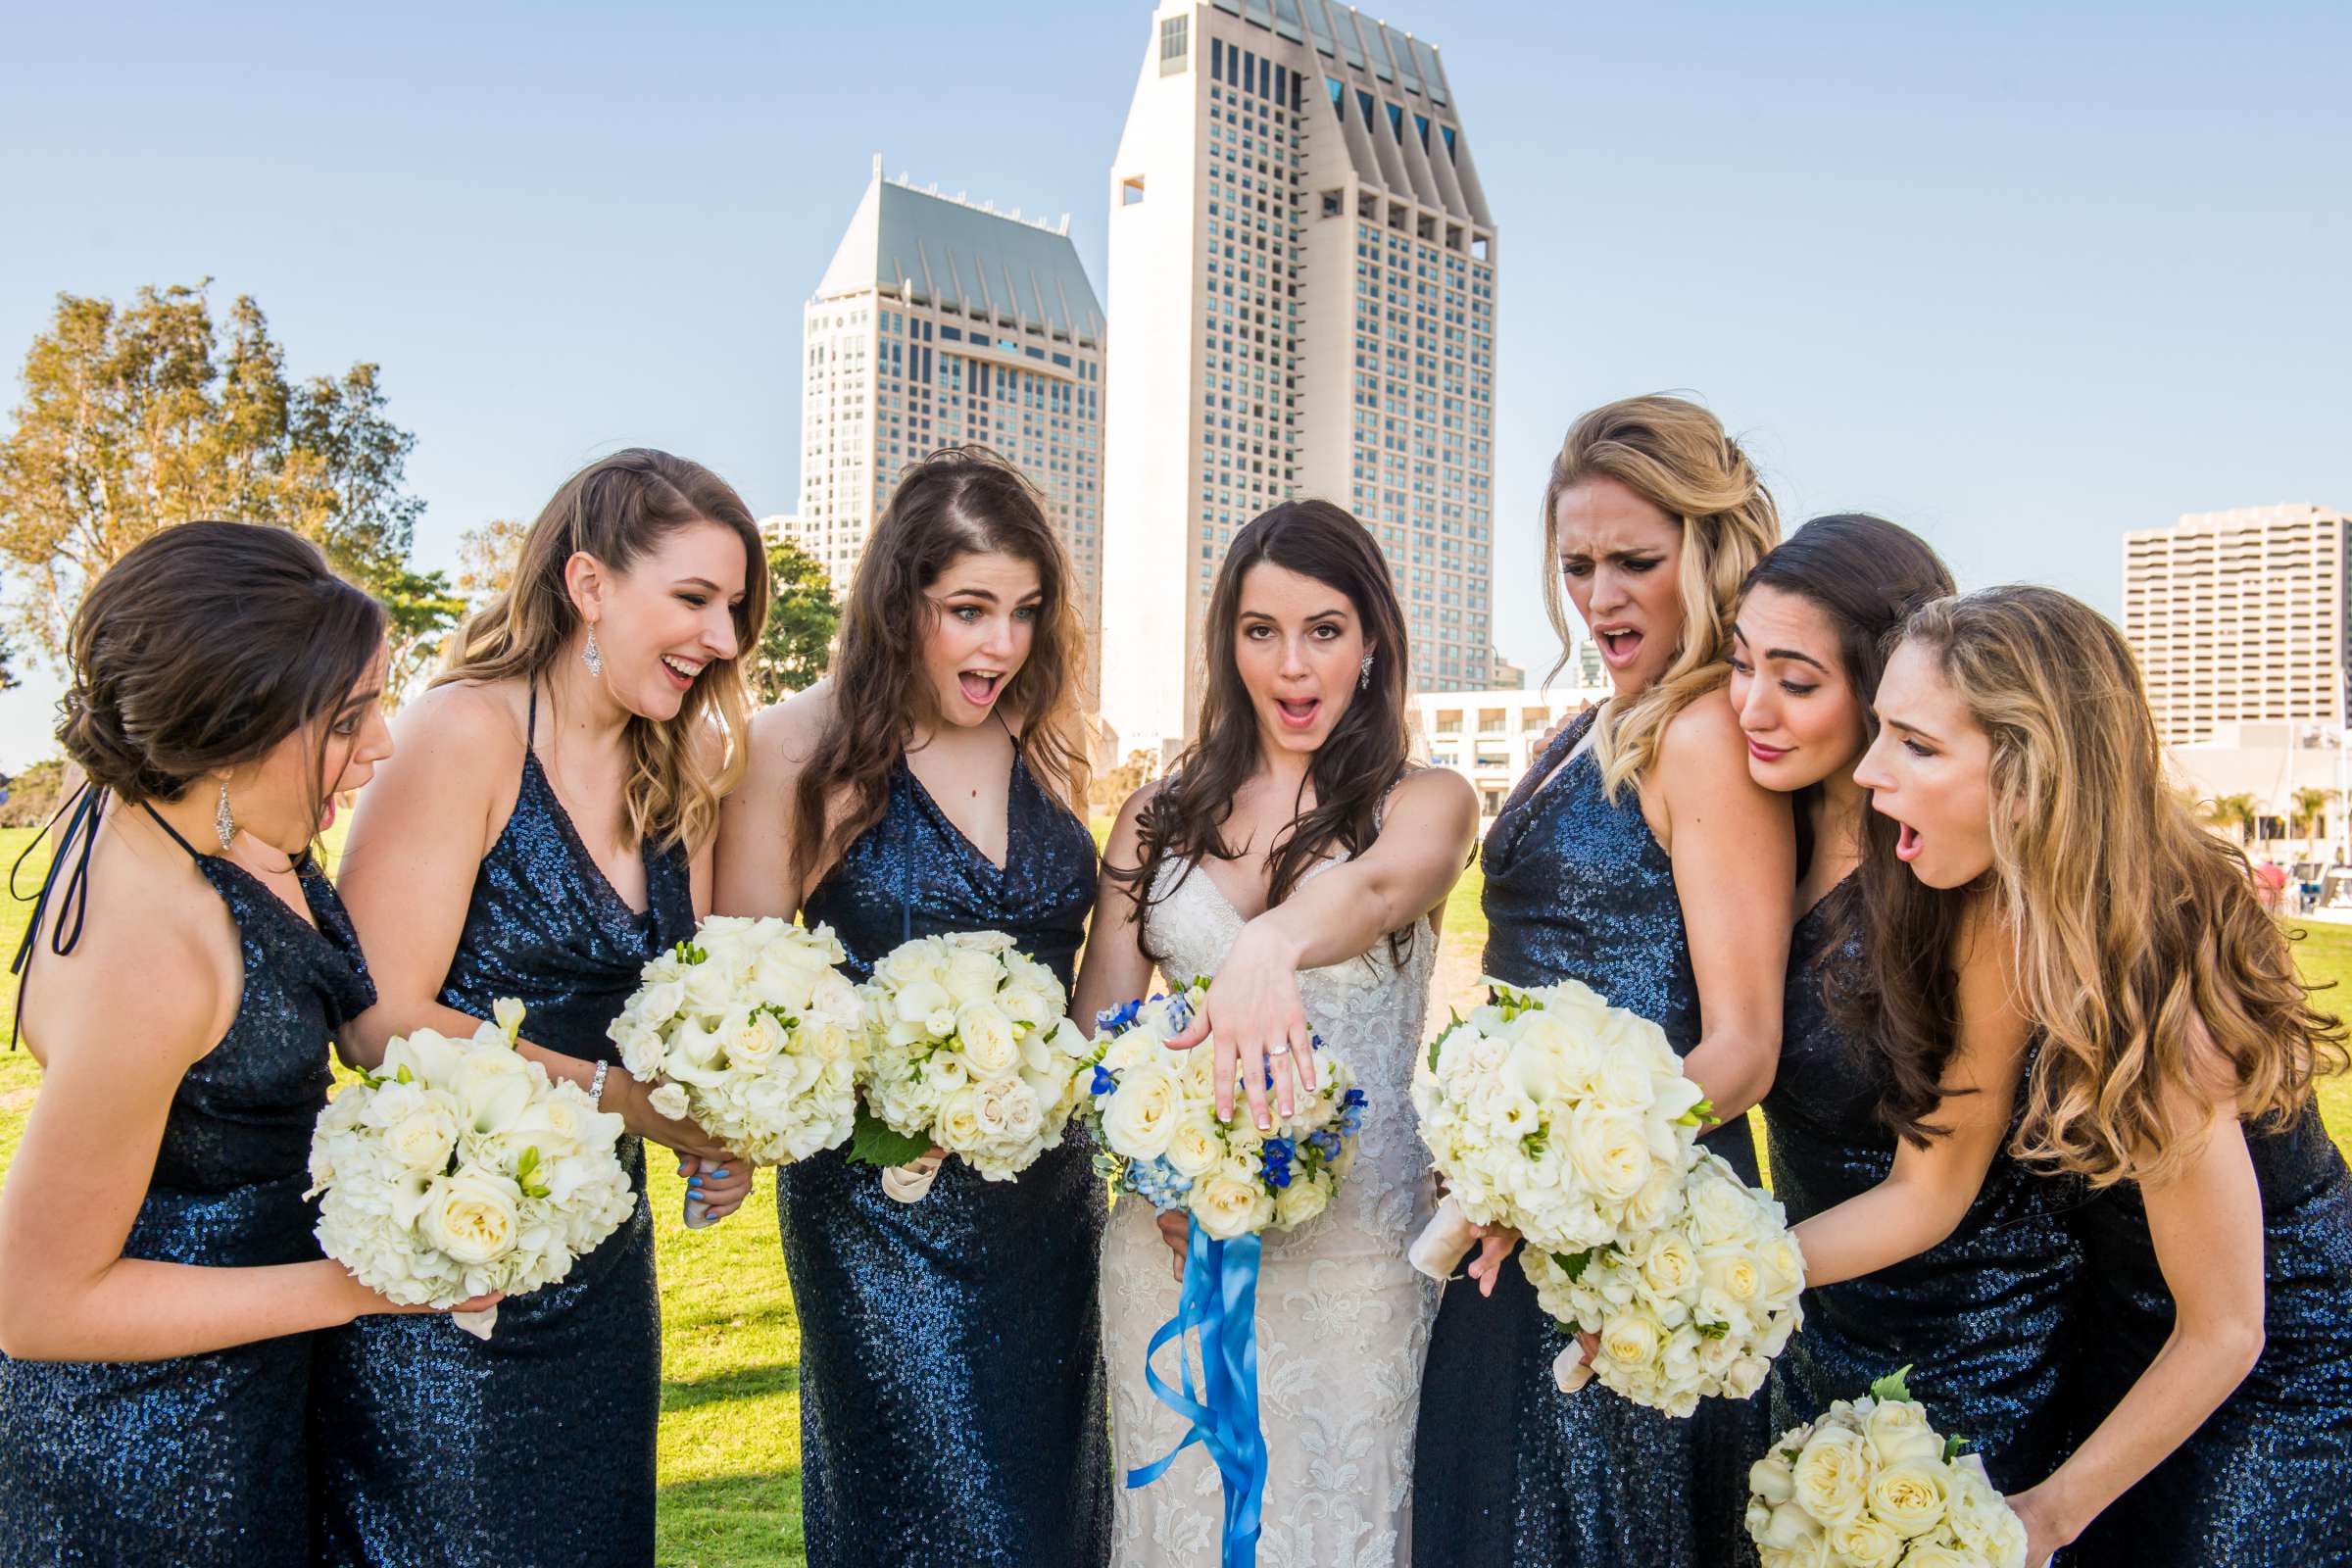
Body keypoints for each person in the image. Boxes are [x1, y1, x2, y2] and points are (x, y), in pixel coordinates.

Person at [1792, 586, 2352, 1566]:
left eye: (1917, 745)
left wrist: (2047, 1514)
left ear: (2029, 778)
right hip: (2125, 1322)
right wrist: (1730, 1273)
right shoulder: (1997, 901)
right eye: (1883, 730)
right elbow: (1931, 1185)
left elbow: (2226, 1327)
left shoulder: (2148, 986)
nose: (1872, 772)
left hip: (2267, 1356)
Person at [315, 450, 767, 1565]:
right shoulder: (464, 732)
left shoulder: (685, 778)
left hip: (603, 1274)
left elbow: (679, 1013)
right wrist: (624, 1098)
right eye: (696, 599)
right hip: (448, 1278)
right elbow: (377, 1018)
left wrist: (722, 1125)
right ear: (589, 585)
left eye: (736, 610)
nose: (722, 638)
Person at [0, 524, 485, 1565]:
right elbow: (36, 1303)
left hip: (248, 1393)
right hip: (154, 1461)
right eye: (349, 720)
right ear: (232, 729)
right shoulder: (152, 958)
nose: (384, 746)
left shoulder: (182, 816)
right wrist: (373, 1283)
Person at [1412, 394, 1793, 1564]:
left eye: (1636, 560)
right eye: (1577, 563)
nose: (1601, 595)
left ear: (1708, 550)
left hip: (1626, 1232)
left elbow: (1742, 1046)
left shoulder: (1701, 737)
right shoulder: (1592, 721)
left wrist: (1543, 1182)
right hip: (1523, 1218)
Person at [715, 447, 1108, 1567]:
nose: (1001, 645)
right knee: (927, 1518)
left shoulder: (1049, 744)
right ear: (900, 603)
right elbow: (746, 1011)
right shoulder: (799, 750)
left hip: (1047, 1203)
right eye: (968, 610)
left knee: (1044, 1516)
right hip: (880, 1215)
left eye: (1025, 612)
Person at [1075, 500, 1478, 1565]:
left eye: (1325, 629)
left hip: (1363, 1267)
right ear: (1228, 644)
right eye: (1262, 631)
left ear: (1373, 640)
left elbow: (1386, 884)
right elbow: (1097, 1036)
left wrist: (1268, 946)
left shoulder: (1425, 802)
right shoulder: (1153, 817)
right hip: (1168, 1262)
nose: (1293, 665)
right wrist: (1160, 1174)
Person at [1729, 516, 2082, 1490]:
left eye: (1796, 681)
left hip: (1968, 1343)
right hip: (1813, 1316)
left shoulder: (1964, 886)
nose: (1753, 706)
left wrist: (1721, 1278)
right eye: (1740, 662)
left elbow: (1933, 1188)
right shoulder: (1760, 828)